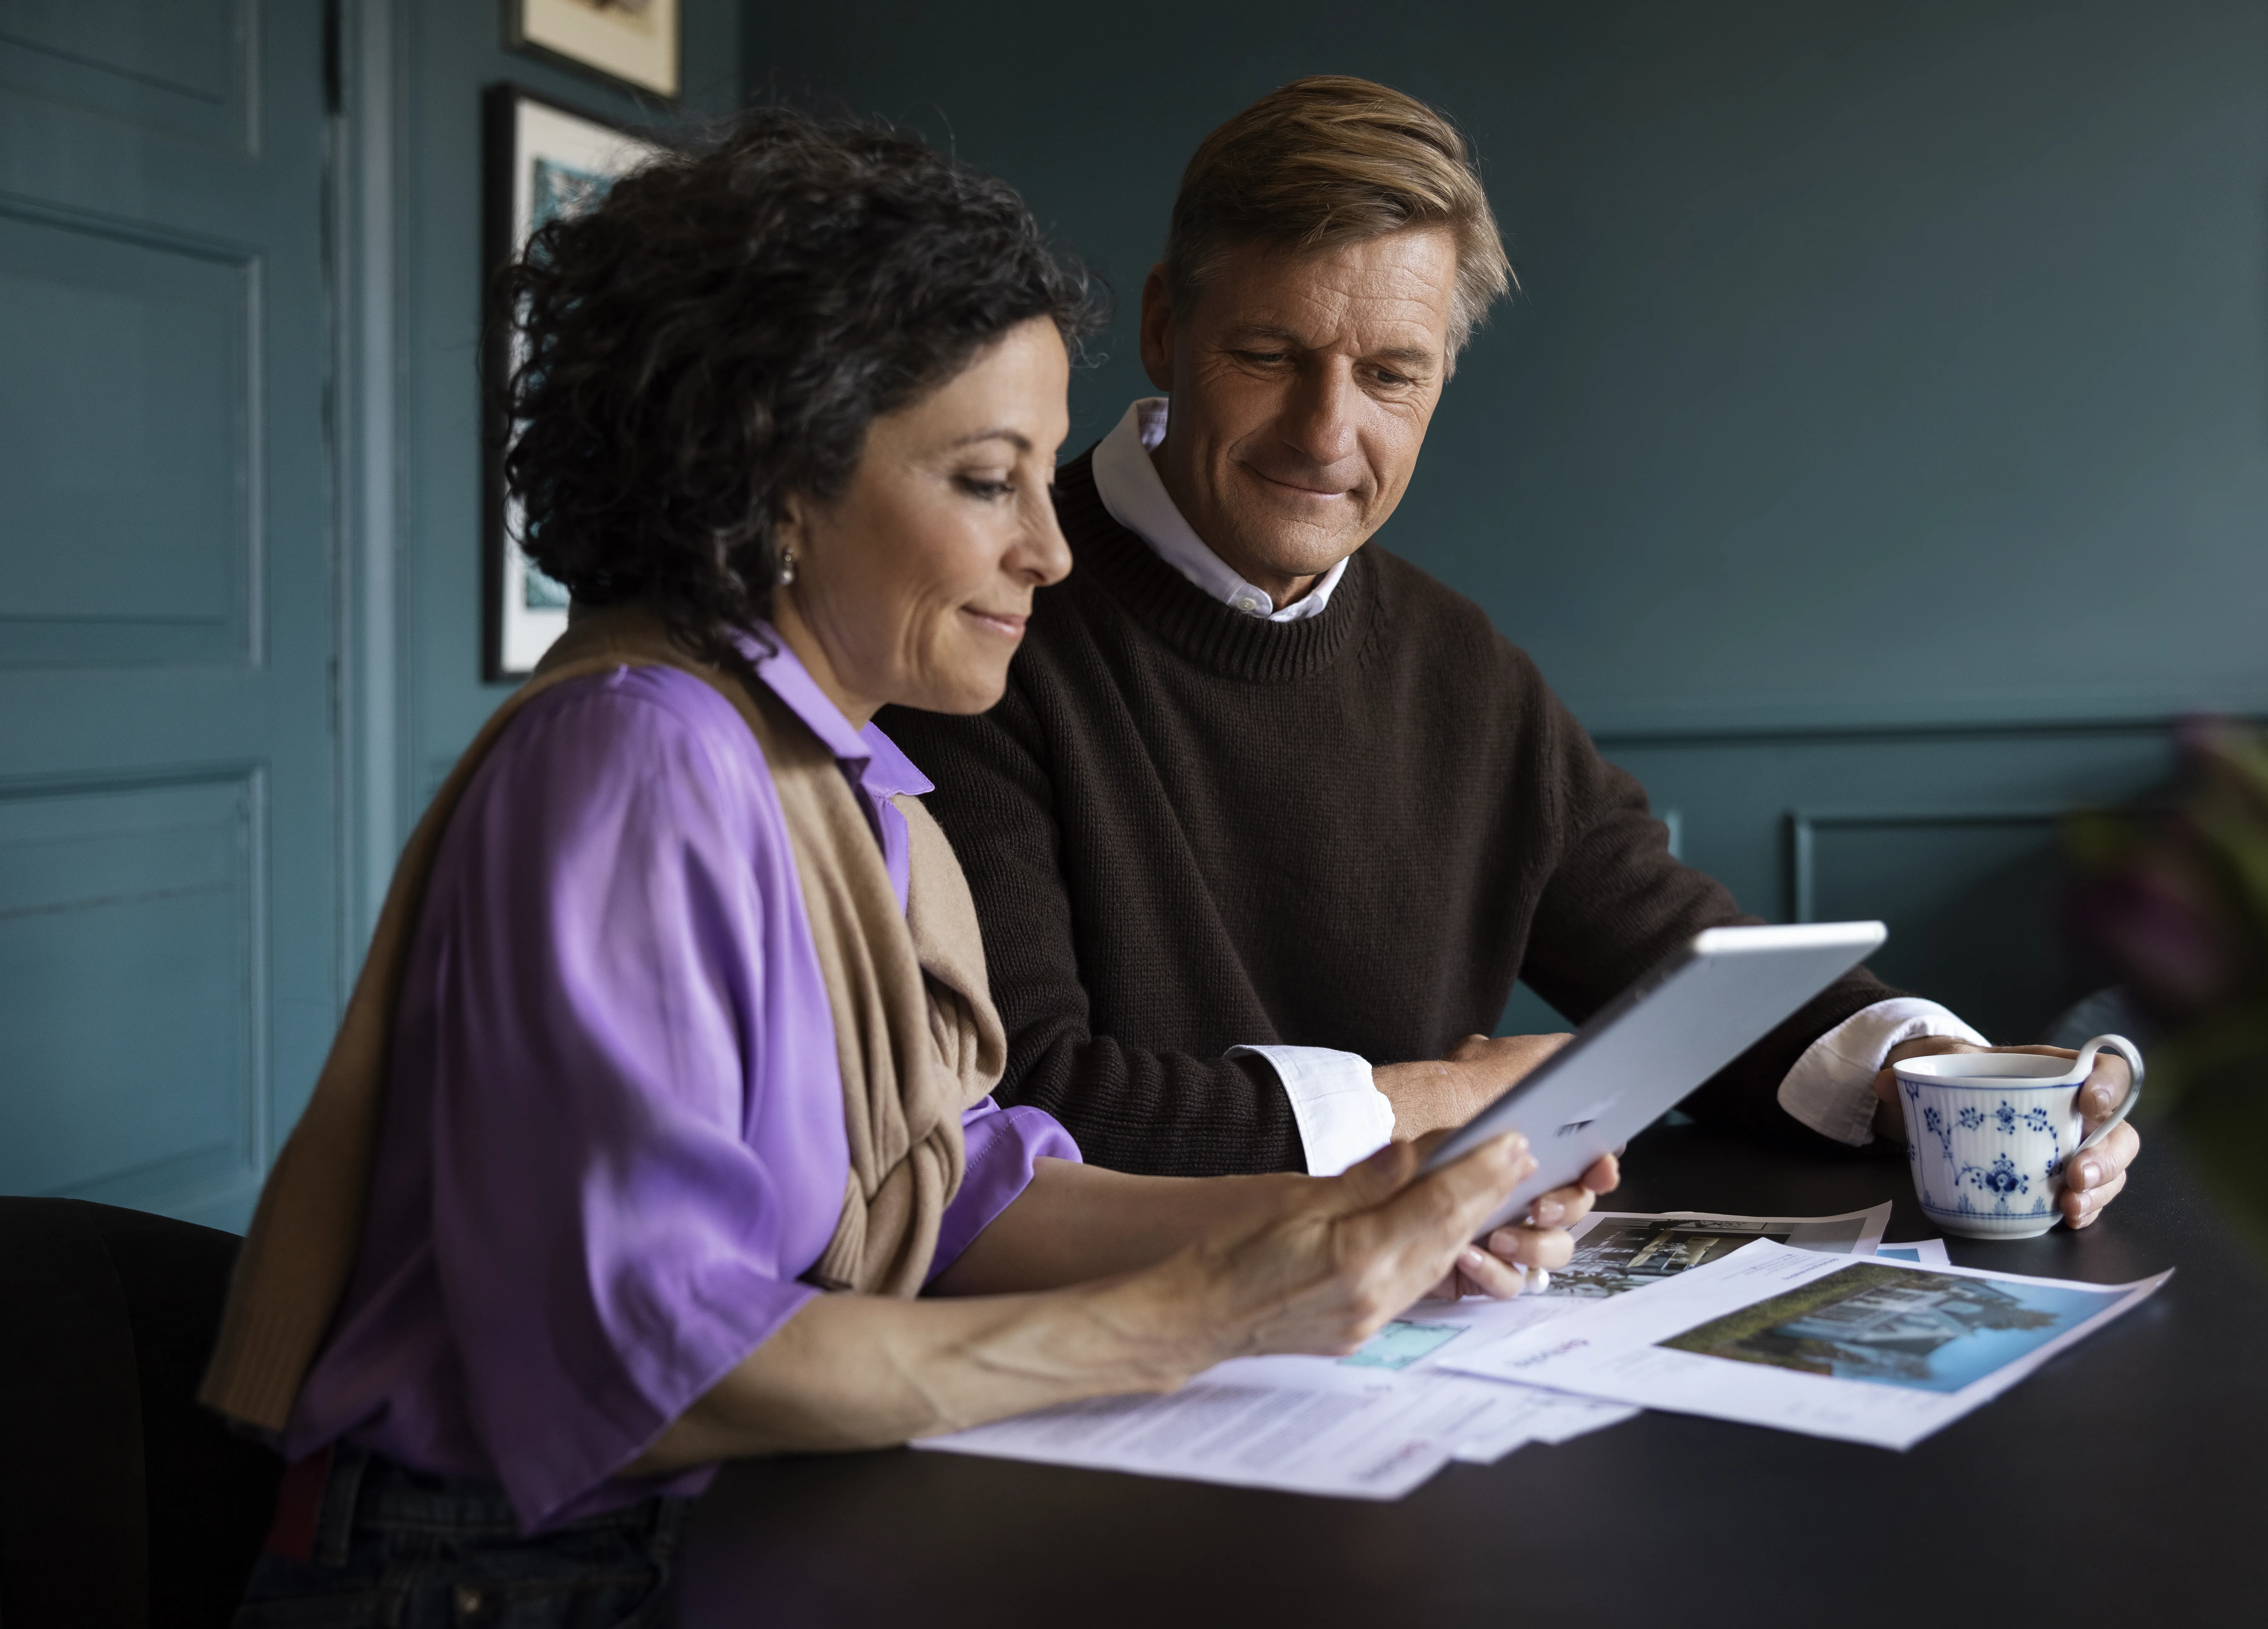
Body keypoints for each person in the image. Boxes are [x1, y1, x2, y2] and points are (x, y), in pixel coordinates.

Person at [203, 114, 1609, 1625]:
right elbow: (643, 1365)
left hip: (740, 1521)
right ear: (776, 486)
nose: (1053, 553)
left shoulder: (861, 782)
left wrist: (1370, 1213)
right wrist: (1195, 1317)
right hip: (515, 1575)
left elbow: (953, 1196)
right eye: (989, 483)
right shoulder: (633, 764)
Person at [881, 77, 2142, 1217]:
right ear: (1167, 328)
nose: (1328, 434)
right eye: (1270, 356)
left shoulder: (1456, 663)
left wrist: (1933, 1077)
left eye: (1390, 375)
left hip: (1426, 1352)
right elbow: (1027, 1103)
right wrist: (1436, 1101)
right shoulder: (980, 625)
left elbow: (1682, 967)